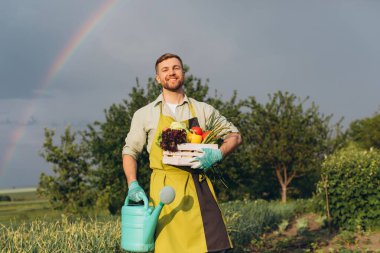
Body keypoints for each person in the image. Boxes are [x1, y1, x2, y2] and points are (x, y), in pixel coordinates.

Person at [122, 53, 242, 253]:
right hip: (163, 195)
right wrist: (132, 184)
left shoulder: (203, 110)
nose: (171, 73)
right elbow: (130, 151)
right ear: (158, 78)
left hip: (199, 189)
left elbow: (235, 136)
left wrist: (218, 154)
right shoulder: (145, 114)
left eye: (176, 68)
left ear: (183, 73)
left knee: (214, 248)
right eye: (165, 70)